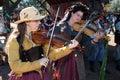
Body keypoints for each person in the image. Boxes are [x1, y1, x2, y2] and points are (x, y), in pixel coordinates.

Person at [5, 6, 79, 80]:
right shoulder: (15, 40)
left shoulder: (40, 37)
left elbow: (53, 54)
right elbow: (15, 65)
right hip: (24, 77)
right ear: (27, 22)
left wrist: (68, 48)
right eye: (36, 21)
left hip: (41, 75)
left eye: (39, 20)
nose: (39, 23)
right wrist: (38, 63)